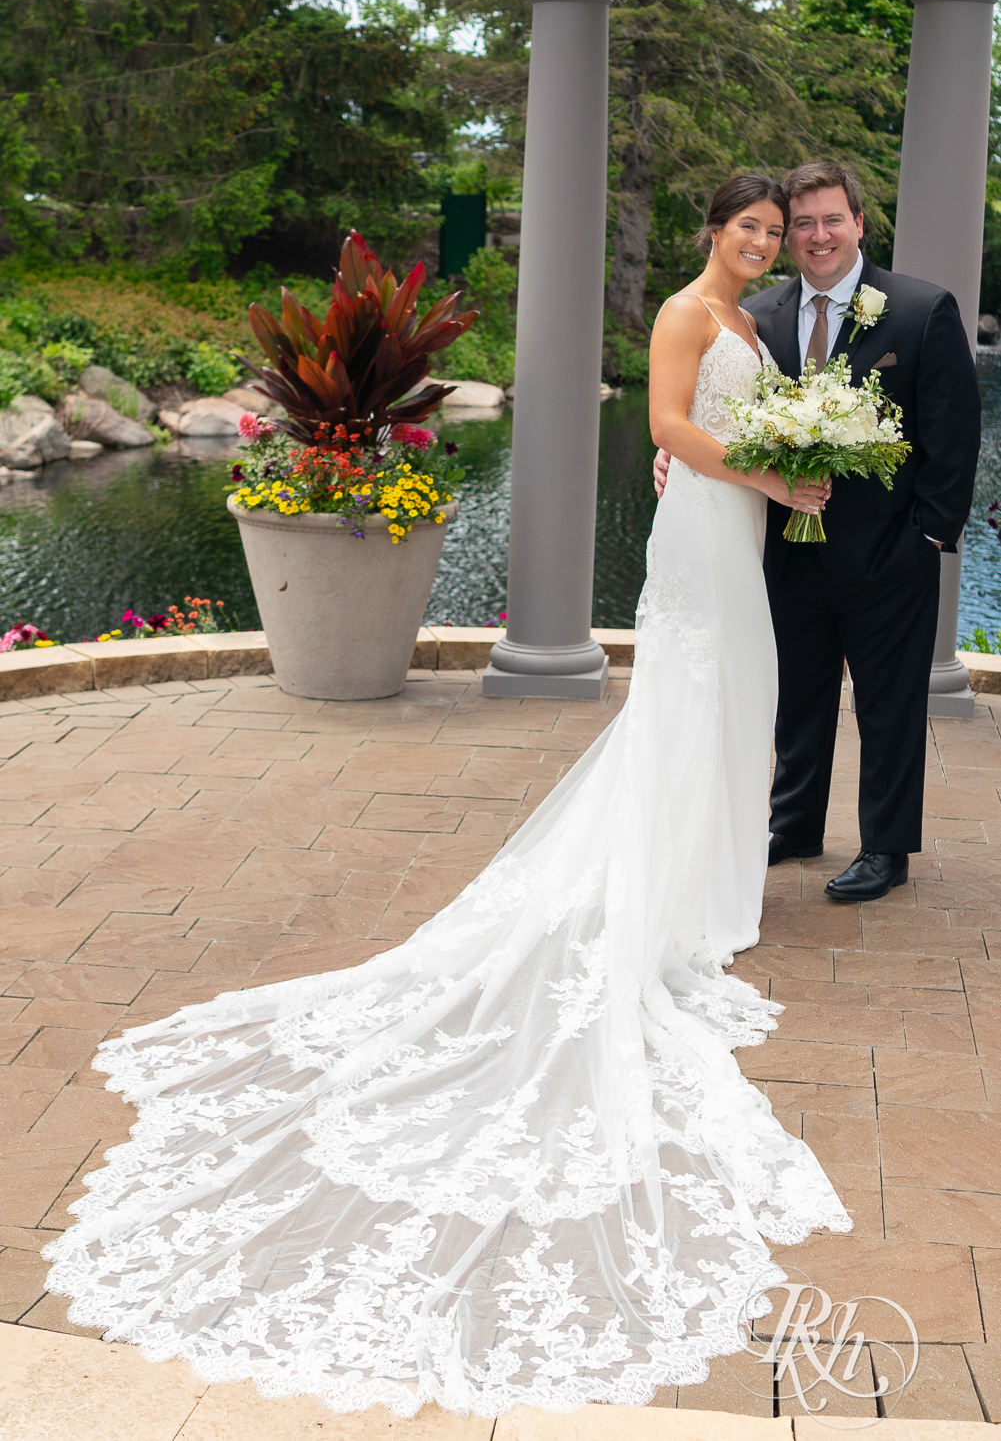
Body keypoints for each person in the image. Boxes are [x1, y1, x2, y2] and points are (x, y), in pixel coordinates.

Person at [42, 175, 849, 1419]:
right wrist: (781, 477)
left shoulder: (754, 320)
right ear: (712, 234)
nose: (755, 244)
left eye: (767, 232)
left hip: (730, 529)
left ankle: (704, 887)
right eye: (742, 228)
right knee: (694, 698)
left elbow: (678, 438)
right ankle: (674, 898)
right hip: (711, 535)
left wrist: (773, 473)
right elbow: (678, 430)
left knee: (732, 699)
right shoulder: (689, 313)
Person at [655, 161, 981, 902]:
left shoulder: (918, 308)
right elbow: (714, 411)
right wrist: (672, 453)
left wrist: (926, 538)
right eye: (798, 224)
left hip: (889, 555)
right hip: (780, 549)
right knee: (794, 697)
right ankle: (793, 824)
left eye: (829, 219)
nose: (814, 235)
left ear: (858, 223)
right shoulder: (758, 315)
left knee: (888, 705)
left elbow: (954, 436)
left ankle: (885, 848)